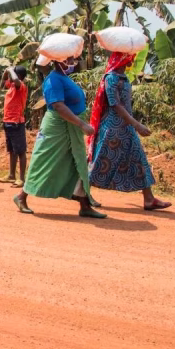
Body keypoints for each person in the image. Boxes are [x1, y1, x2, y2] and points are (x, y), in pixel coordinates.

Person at [14, 43, 106, 219]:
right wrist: (82, 124)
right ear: (60, 61)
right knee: (45, 161)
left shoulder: (63, 77)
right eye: (69, 60)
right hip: (58, 128)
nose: (73, 62)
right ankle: (21, 196)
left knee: (76, 161)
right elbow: (58, 106)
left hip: (70, 127)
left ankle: (84, 204)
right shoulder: (53, 80)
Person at [88, 51, 172, 211]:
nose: (131, 61)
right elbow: (115, 105)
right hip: (112, 129)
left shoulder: (123, 78)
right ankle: (83, 192)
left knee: (139, 159)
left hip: (126, 127)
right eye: (129, 58)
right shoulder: (110, 78)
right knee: (101, 161)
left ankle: (149, 199)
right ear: (120, 60)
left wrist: (132, 125)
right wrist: (137, 125)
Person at [0, 65, 29, 186]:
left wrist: (11, 70)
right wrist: (6, 72)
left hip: (17, 122)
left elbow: (16, 80)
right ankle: (11, 175)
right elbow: (0, 86)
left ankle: (21, 179)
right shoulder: (11, 86)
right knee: (12, 150)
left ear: (19, 76)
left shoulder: (21, 86)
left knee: (21, 151)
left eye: (13, 74)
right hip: (8, 121)